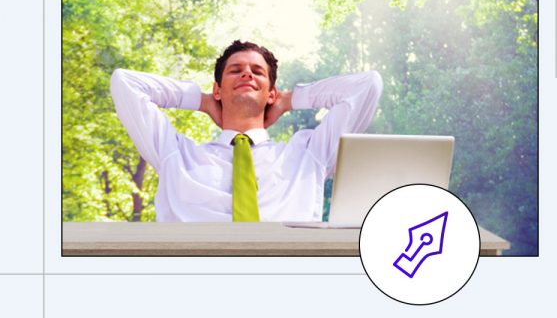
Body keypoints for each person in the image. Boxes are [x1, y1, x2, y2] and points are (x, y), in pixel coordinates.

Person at [110, 40, 383, 222]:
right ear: (218, 89)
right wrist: (203, 101)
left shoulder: (308, 154)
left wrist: (289, 100)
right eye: (235, 70)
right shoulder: (177, 154)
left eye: (258, 72)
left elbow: (367, 86)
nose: (247, 75)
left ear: (271, 93)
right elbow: (125, 84)